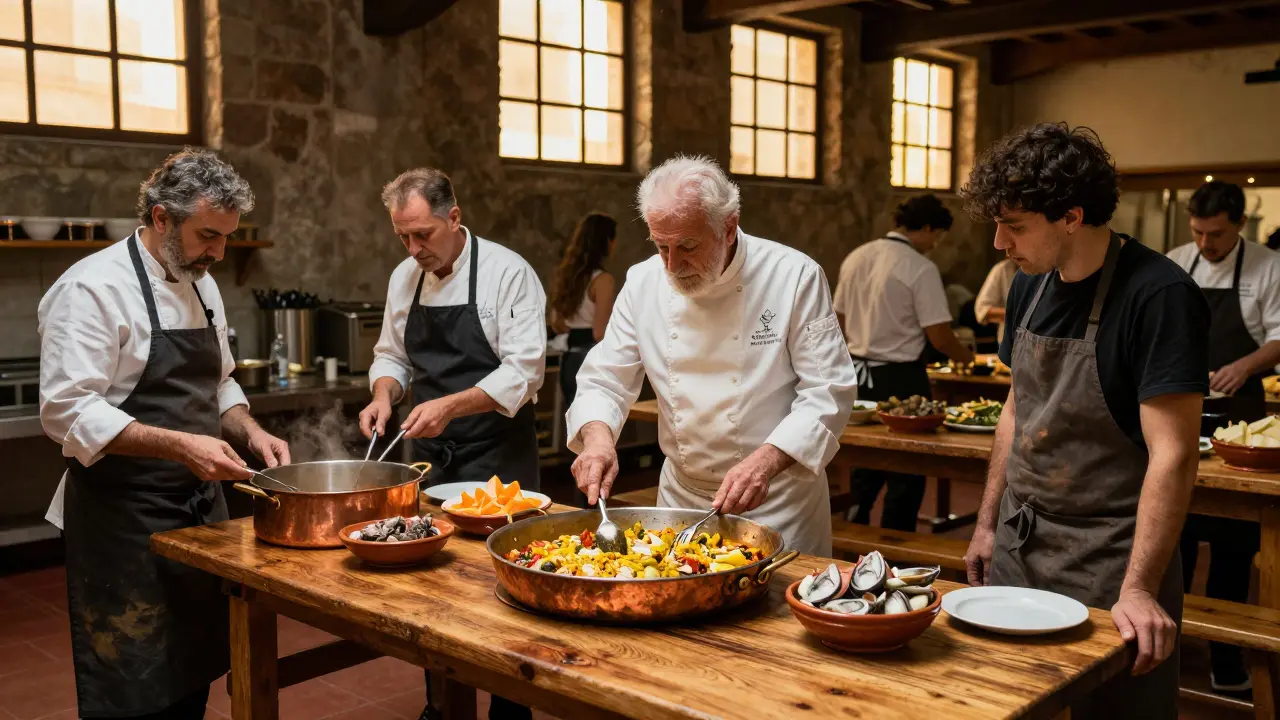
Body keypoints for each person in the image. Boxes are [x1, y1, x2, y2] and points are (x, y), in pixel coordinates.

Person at [961, 123, 1209, 718]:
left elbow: (1174, 454)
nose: (999, 243)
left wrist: (1141, 588)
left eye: (1014, 226)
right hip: (1023, 544)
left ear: (1071, 217)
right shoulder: (1029, 288)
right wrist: (987, 522)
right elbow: (1017, 410)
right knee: (1010, 702)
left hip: (1113, 557)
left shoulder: (1159, 295)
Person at [38, 148, 291, 719]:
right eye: (207, 235)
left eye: (227, 237)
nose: (219, 252)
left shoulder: (202, 283)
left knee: (193, 672)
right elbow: (65, 410)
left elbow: (219, 381)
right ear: (160, 218)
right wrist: (180, 444)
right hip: (122, 522)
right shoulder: (92, 289)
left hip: (201, 513)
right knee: (132, 688)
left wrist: (250, 431)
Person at [566, 155, 857, 557]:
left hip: (777, 500)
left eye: (687, 246)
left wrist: (765, 463)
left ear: (729, 227)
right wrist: (598, 441)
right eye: (661, 245)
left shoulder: (793, 276)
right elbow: (605, 379)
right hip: (680, 498)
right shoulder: (643, 282)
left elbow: (829, 391)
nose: (672, 264)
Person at [358, 168, 545, 720]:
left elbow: (525, 371)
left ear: (454, 218)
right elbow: (391, 354)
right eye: (403, 237)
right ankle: (442, 706)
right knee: (434, 591)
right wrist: (384, 396)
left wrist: (450, 406)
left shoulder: (508, 273)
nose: (414, 248)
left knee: (509, 589)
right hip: (431, 457)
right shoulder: (404, 277)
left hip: (497, 455)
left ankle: (512, 710)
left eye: (423, 235)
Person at [1168, 180, 1280, 696]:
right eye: (1198, 232)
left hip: (1242, 415)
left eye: (1216, 234)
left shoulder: (1268, 265)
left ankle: (1227, 657)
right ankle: (1169, 644)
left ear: (1239, 223)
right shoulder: (1176, 261)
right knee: (1177, 529)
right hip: (1181, 404)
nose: (1206, 243)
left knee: (1235, 540)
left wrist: (1244, 365)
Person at [832, 194, 975, 531]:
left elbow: (837, 319)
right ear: (925, 228)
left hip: (857, 373)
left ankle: (856, 527)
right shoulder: (920, 268)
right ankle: (897, 546)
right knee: (907, 468)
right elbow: (939, 335)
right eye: (937, 235)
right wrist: (967, 357)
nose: (937, 244)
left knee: (862, 463)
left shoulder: (857, 255)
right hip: (901, 379)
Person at [548, 212, 618, 407]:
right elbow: (599, 333)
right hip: (591, 358)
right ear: (607, 242)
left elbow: (558, 325)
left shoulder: (567, 277)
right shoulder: (603, 280)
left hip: (569, 360)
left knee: (575, 426)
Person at [975, 257, 1018, 344]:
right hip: (1011, 344)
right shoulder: (1003, 269)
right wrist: (1017, 315)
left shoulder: (1049, 268)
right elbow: (982, 309)